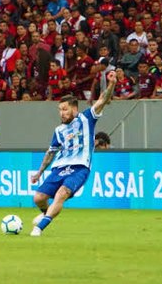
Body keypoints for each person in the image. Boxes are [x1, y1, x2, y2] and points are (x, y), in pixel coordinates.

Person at [29, 71, 116, 237]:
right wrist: (40, 172)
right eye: (59, 110)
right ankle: (46, 213)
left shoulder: (86, 118)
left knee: (61, 194)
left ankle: (39, 228)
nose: (62, 113)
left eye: (65, 109)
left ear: (75, 109)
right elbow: (51, 153)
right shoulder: (59, 130)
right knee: (38, 198)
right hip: (59, 168)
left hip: (79, 167)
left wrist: (111, 84)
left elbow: (103, 99)